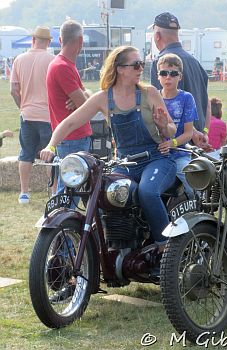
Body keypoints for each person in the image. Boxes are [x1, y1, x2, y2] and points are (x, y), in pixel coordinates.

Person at [40, 45, 177, 252]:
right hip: (125, 162)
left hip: (156, 158)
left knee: (147, 192)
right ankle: (114, 247)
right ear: (121, 69)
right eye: (136, 64)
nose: (141, 68)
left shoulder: (149, 93)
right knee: (104, 195)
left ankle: (164, 248)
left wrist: (162, 125)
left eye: (142, 64)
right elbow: (68, 123)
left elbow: (171, 130)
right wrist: (51, 145)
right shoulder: (103, 98)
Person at [149, 12, 211, 150]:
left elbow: (159, 106)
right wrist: (204, 132)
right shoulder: (194, 61)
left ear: (157, 36)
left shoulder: (160, 65)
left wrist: (193, 134)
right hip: (198, 141)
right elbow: (207, 102)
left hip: (177, 144)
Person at [46, 20, 92, 196]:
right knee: (70, 191)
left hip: (69, 135)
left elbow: (84, 99)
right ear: (80, 41)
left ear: (60, 39)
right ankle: (59, 223)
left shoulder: (62, 64)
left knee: (69, 188)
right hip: (73, 135)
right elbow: (87, 105)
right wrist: (83, 96)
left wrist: (82, 94)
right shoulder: (63, 67)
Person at [10, 26, 54, 204]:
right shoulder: (52, 60)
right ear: (49, 42)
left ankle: (24, 193)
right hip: (48, 115)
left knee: (26, 154)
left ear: (33, 40)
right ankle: (52, 192)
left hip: (27, 115)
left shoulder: (19, 59)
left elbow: (14, 90)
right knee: (50, 155)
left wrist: (23, 107)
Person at [156, 53, 197, 198]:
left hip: (180, 153)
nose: (168, 77)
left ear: (180, 76)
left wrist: (172, 144)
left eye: (173, 73)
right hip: (155, 155)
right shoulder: (153, 97)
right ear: (158, 76)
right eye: (164, 73)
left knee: (192, 183)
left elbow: (188, 133)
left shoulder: (186, 98)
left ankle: (197, 210)